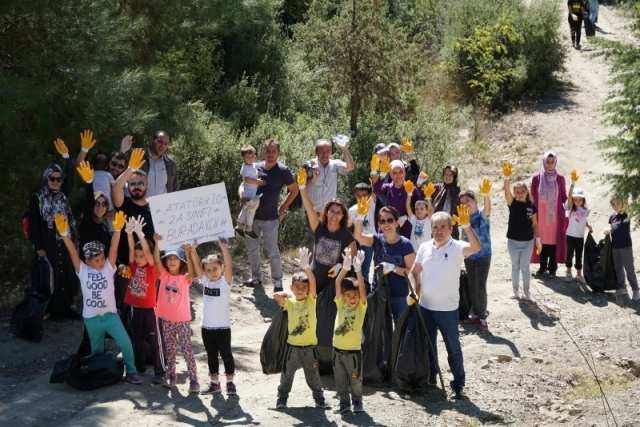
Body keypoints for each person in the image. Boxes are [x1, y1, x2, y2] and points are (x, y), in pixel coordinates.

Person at [54, 211, 142, 384]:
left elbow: (114, 249)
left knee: (125, 342)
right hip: (92, 319)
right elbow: (73, 254)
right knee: (96, 351)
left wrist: (117, 230)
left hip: (111, 317)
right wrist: (64, 235)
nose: (101, 262)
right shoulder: (83, 271)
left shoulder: (109, 268)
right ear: (88, 261)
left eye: (102, 258)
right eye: (97, 260)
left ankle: (132, 371)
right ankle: (100, 373)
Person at [408, 207, 481, 400]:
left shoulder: (457, 247)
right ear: (431, 229)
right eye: (435, 227)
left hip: (448, 310)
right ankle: (431, 379)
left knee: (453, 348)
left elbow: (476, 248)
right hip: (425, 307)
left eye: (443, 227)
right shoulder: (424, 247)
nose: (439, 231)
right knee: (428, 346)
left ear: (450, 228)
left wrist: (467, 226)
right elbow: (414, 273)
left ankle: (458, 384)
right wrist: (413, 291)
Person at [274, 248, 331, 410]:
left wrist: (307, 268)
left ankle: (320, 400)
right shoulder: (290, 303)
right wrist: (288, 293)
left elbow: (313, 284)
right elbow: (276, 296)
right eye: (296, 287)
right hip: (292, 348)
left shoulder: (311, 302)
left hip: (309, 349)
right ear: (292, 287)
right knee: (287, 375)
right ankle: (282, 399)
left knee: (313, 375)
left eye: (303, 288)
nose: (300, 290)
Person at [29, 138, 79, 320]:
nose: (56, 182)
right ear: (46, 178)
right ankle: (53, 309)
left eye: (59, 179)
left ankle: (66, 307)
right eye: (53, 178)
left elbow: (71, 177)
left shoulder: (63, 194)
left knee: (66, 273)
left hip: (65, 240)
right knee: (53, 277)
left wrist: (66, 158)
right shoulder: (38, 198)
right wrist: (38, 247)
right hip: (48, 243)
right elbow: (34, 225)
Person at [241, 139, 299, 291]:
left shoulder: (283, 170)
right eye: (267, 151)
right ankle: (256, 277)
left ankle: (278, 281)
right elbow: (243, 184)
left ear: (279, 153)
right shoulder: (254, 166)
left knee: (273, 252)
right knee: (252, 250)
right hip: (251, 218)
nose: (270, 154)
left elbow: (294, 190)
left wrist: (282, 209)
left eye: (273, 151)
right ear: (263, 152)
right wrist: (241, 195)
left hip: (270, 219)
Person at [190, 238, 238, 395]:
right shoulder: (205, 281)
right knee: (211, 356)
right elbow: (197, 266)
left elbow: (230, 266)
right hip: (207, 327)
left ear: (221, 268)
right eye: (208, 270)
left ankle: (230, 383)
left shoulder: (225, 283)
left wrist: (223, 248)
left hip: (223, 327)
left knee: (226, 355)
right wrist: (193, 250)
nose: (212, 272)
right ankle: (214, 383)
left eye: (215, 269)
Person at [297, 168, 356, 294]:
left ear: (343, 216)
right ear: (327, 212)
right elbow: (309, 207)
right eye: (332, 211)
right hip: (313, 281)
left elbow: (354, 257)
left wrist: (340, 266)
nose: (335, 215)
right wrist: (302, 187)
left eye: (339, 212)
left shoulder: (346, 235)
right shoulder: (319, 227)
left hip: (333, 285)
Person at [354, 203, 415, 325]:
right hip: (379, 293)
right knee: (380, 333)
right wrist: (360, 217)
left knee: (401, 332)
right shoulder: (376, 240)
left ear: (397, 222)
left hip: (399, 295)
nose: (386, 224)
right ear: (378, 224)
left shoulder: (405, 244)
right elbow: (358, 236)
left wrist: (393, 268)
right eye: (382, 221)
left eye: (390, 220)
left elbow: (411, 272)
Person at [153, 239, 200, 393]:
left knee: (187, 350)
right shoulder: (164, 275)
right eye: (169, 258)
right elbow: (155, 260)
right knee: (170, 350)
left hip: (182, 321)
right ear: (165, 262)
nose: (172, 261)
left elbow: (192, 272)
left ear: (181, 262)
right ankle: (171, 375)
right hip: (167, 320)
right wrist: (157, 244)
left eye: (175, 259)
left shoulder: (185, 278)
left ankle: (194, 380)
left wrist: (188, 252)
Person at [123, 216, 165, 384]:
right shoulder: (133, 265)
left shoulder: (153, 269)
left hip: (150, 309)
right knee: (137, 340)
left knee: (155, 341)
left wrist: (140, 234)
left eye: (142, 256)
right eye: (138, 256)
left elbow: (148, 253)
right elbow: (132, 250)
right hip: (136, 308)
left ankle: (160, 371)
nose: (139, 258)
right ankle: (139, 368)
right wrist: (128, 233)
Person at [304, 136, 355, 250]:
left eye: (327, 151)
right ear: (316, 152)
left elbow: (350, 167)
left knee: (331, 239)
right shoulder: (309, 165)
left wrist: (344, 149)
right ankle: (312, 266)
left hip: (330, 211)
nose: (324, 154)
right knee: (314, 239)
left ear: (331, 152)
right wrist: (312, 179)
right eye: (321, 151)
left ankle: (329, 266)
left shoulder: (335, 164)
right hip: (313, 210)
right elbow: (300, 187)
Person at [332, 249, 367, 414]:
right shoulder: (340, 304)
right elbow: (337, 284)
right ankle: (344, 404)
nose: (352, 299)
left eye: (355, 296)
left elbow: (362, 290)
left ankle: (357, 402)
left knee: (355, 380)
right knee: (340, 381)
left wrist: (358, 270)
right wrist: (345, 268)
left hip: (354, 353)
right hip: (337, 351)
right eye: (349, 296)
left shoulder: (361, 308)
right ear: (343, 297)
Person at [503, 162, 540, 300]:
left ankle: (526, 291)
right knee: (515, 266)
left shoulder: (531, 206)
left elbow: (535, 224)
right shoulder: (512, 204)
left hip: (527, 242)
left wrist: (538, 239)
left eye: (522, 192)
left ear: (527, 192)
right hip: (513, 241)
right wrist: (506, 178)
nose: (520, 194)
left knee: (525, 267)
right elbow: (506, 192)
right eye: (517, 192)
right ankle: (515, 291)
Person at [459, 180, 492, 331]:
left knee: (480, 286)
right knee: (472, 285)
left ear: (475, 200)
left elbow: (487, 209)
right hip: (470, 257)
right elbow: (461, 237)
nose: (466, 204)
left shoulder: (481, 215)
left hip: (483, 256)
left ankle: (482, 316)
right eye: (462, 202)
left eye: (468, 200)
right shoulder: (463, 217)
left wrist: (486, 195)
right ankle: (476, 313)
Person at [530, 151, 568, 278]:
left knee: (553, 241)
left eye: (552, 162)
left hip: (555, 216)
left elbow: (563, 197)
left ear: (556, 162)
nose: (550, 164)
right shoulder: (536, 178)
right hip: (540, 215)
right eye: (548, 162)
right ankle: (542, 267)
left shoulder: (560, 178)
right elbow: (532, 197)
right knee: (541, 240)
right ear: (544, 162)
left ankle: (552, 269)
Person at [372, 159, 423, 239]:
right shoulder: (388, 187)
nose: (398, 175)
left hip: (407, 225)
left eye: (400, 172)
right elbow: (376, 190)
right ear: (391, 174)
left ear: (404, 172)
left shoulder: (410, 187)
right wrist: (382, 176)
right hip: (389, 224)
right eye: (394, 173)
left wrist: (406, 216)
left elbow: (418, 205)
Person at [76, 161, 112, 260]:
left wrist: (120, 264)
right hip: (87, 272)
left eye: (104, 204)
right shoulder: (87, 223)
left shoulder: (104, 226)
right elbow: (88, 205)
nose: (100, 207)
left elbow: (108, 252)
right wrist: (89, 183)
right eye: (97, 203)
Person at [564, 169, 592, 284]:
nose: (578, 201)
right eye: (576, 199)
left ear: (583, 200)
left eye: (580, 199)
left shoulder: (586, 210)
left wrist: (588, 226)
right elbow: (569, 196)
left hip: (580, 237)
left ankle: (579, 275)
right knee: (569, 254)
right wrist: (572, 183)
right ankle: (568, 272)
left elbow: (584, 220)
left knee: (579, 255)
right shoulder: (570, 208)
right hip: (570, 235)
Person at [608, 196, 639, 301]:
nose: (616, 206)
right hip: (615, 247)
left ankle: (635, 289)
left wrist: (623, 183)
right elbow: (611, 228)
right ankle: (622, 288)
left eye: (618, 203)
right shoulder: (612, 217)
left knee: (629, 269)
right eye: (613, 204)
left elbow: (626, 203)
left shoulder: (625, 214)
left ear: (622, 204)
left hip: (625, 246)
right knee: (618, 269)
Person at [235, 145, 265, 239]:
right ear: (243, 158)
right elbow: (247, 179)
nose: (250, 159)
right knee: (251, 209)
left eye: (252, 156)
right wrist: (257, 182)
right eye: (248, 157)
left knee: (246, 208)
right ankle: (248, 228)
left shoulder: (253, 165)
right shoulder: (245, 167)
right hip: (248, 192)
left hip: (252, 192)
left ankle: (239, 225)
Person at [348, 183, 376, 283]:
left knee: (366, 268)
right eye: (358, 195)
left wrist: (374, 181)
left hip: (369, 242)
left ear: (368, 195)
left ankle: (366, 288)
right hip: (357, 242)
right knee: (356, 267)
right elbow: (347, 225)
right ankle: (356, 288)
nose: (361, 198)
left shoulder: (372, 205)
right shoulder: (352, 210)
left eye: (364, 195)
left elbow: (376, 191)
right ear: (355, 195)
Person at [139, 131, 180, 197]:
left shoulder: (170, 163)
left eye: (166, 144)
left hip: (163, 205)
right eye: (160, 142)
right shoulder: (139, 157)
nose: (162, 145)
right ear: (152, 140)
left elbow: (175, 187)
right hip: (142, 205)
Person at [432, 165, 462, 240]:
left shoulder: (458, 192)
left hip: (452, 229)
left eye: (450, 175)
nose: (447, 177)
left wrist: (457, 218)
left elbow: (462, 210)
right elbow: (421, 195)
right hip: (436, 227)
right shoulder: (436, 188)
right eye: (445, 174)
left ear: (454, 177)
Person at [406, 182, 435, 251]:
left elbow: (430, 210)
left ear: (426, 211)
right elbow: (408, 207)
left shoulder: (428, 220)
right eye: (417, 209)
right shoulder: (414, 220)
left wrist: (428, 198)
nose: (419, 211)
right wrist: (409, 194)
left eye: (422, 209)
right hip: (414, 250)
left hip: (426, 250)